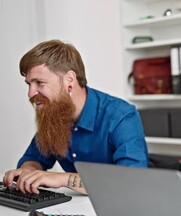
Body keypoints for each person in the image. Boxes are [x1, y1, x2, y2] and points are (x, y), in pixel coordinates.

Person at [2, 40, 149, 194]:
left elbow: (132, 181)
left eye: (39, 83)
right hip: (77, 208)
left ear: (69, 80)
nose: (31, 94)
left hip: (118, 209)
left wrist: (62, 179)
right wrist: (28, 171)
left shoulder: (121, 116)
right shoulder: (55, 114)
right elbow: (34, 158)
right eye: (29, 84)